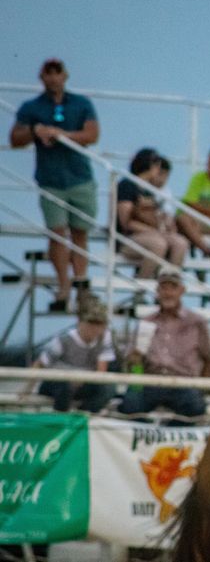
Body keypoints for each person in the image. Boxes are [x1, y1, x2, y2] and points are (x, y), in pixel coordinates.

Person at [8, 58, 100, 311]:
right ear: (42, 77)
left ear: (65, 75)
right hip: (51, 180)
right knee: (57, 233)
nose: (53, 77)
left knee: (80, 232)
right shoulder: (32, 107)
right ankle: (64, 286)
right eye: (48, 73)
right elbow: (15, 138)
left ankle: (80, 283)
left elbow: (92, 134)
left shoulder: (81, 104)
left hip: (79, 177)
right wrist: (35, 131)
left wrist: (63, 135)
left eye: (57, 72)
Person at [119, 269, 210, 421]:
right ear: (157, 291)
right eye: (164, 288)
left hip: (184, 383)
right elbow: (135, 363)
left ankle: (177, 441)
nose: (168, 293)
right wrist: (136, 367)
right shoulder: (146, 322)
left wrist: (201, 389)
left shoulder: (197, 322)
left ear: (182, 291)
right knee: (130, 404)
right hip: (149, 381)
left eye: (173, 288)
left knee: (195, 407)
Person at [23, 299, 115, 412]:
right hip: (58, 382)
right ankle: (63, 419)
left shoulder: (104, 338)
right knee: (64, 385)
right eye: (91, 324)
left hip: (84, 383)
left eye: (99, 324)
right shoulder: (64, 340)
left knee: (109, 388)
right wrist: (26, 390)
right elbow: (40, 363)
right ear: (80, 322)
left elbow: (102, 371)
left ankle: (85, 415)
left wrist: (86, 380)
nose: (95, 329)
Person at [116, 148, 188, 278]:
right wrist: (155, 231)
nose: (158, 171)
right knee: (159, 244)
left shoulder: (149, 190)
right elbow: (126, 223)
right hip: (127, 239)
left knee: (180, 243)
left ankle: (169, 284)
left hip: (150, 234)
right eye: (157, 166)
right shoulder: (126, 185)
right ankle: (140, 291)